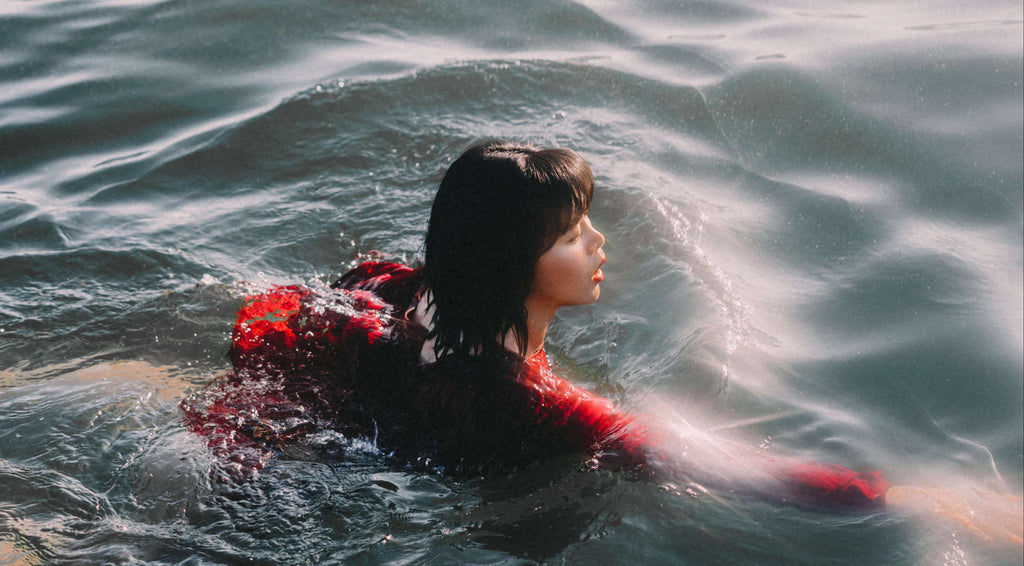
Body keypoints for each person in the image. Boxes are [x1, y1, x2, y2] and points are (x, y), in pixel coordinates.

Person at [181, 142, 1023, 535]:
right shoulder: (540, 405)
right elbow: (739, 473)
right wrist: (926, 500)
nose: (598, 242)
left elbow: (307, 307)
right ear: (516, 263)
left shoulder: (396, 290)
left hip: (314, 447)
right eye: (573, 231)